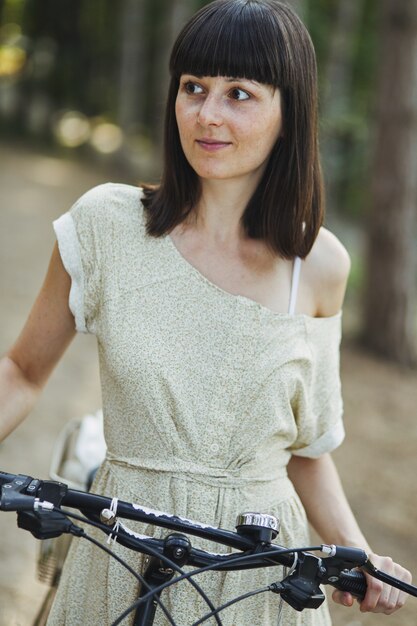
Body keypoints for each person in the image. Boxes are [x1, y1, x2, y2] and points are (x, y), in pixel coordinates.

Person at [0, 0, 412, 624]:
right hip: (120, 554)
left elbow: (305, 447)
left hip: (258, 572)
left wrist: (362, 555)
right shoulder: (106, 224)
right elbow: (23, 372)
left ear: (287, 113)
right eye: (194, 87)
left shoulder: (318, 263)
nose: (206, 114)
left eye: (239, 93)